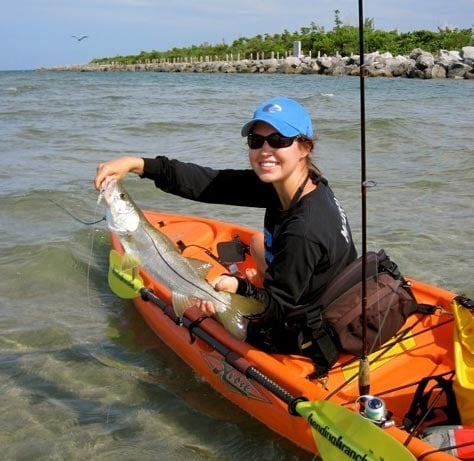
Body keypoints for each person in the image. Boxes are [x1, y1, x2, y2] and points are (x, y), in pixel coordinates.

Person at [95, 96, 357, 357]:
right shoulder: (307, 184)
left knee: (217, 307)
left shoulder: (303, 230)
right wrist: (138, 165)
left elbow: (278, 310)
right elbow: (211, 183)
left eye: (278, 140)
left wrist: (240, 288)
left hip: (305, 328)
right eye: (256, 141)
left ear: (304, 148)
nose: (265, 150)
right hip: (327, 289)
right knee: (257, 242)